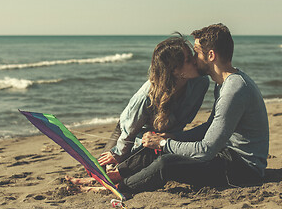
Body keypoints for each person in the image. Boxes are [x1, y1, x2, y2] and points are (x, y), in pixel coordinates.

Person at [111, 23, 270, 193]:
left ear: (211, 55)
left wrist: (165, 143)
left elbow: (206, 151)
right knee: (158, 145)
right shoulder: (223, 83)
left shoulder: (233, 89)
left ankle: (121, 188)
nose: (193, 58)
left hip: (243, 169)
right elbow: (210, 127)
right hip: (225, 153)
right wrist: (173, 137)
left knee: (166, 164)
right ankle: (115, 175)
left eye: (196, 52)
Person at [65, 34, 210, 190]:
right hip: (128, 131)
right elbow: (129, 131)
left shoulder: (200, 84)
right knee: (105, 166)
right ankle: (95, 180)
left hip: (161, 136)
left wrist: (166, 139)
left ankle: (105, 181)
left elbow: (179, 125)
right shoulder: (146, 95)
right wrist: (118, 154)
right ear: (174, 70)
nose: (195, 60)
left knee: (145, 158)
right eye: (189, 59)